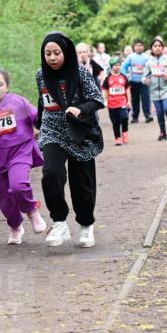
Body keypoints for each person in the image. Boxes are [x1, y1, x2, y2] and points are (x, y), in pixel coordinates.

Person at [35, 32, 104, 248]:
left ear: (66, 53)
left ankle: (85, 225)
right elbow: (43, 100)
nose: (52, 58)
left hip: (79, 132)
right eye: (48, 54)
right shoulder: (41, 75)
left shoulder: (81, 73)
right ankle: (59, 222)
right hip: (52, 130)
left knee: (82, 183)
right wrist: (37, 124)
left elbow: (97, 100)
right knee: (51, 173)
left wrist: (80, 109)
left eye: (56, 53)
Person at [0, 68, 48, 244]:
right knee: (5, 201)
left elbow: (37, 116)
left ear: (7, 87)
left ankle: (32, 210)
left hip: (19, 152)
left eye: (0, 84)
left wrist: (43, 122)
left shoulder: (18, 102)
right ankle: (15, 226)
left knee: (18, 185)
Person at [145, 37, 167, 141]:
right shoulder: (149, 62)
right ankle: (163, 133)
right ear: (151, 49)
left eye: (159, 46)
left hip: (166, 90)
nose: (157, 48)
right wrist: (145, 80)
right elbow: (144, 76)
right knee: (159, 113)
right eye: (155, 46)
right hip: (154, 92)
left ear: (163, 48)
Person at [120, 39, 152, 123]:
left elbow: (151, 68)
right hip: (133, 82)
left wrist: (148, 77)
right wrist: (125, 76)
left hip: (144, 82)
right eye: (137, 46)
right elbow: (124, 67)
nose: (139, 47)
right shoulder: (130, 57)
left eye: (140, 45)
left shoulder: (147, 57)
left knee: (146, 98)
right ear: (134, 47)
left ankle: (148, 115)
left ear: (143, 47)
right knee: (135, 100)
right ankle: (135, 117)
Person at [103, 57, 130, 146]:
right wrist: (105, 101)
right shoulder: (108, 79)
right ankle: (118, 138)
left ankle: (125, 132)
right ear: (111, 66)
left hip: (122, 102)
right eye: (115, 65)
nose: (118, 67)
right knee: (115, 122)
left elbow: (127, 90)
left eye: (119, 65)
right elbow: (105, 91)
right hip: (112, 104)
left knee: (124, 118)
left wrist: (129, 101)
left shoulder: (124, 77)